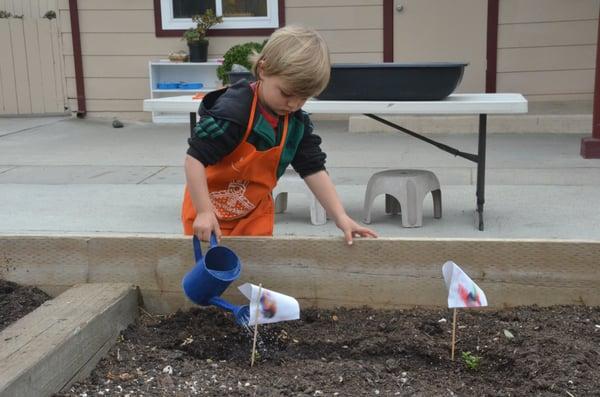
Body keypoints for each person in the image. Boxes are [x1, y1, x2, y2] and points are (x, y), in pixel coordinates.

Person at [182, 25, 377, 245]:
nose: (294, 104)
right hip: (207, 207)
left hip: (255, 212)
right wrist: (204, 212)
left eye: (303, 98)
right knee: (211, 273)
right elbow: (194, 159)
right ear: (263, 70)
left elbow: (313, 168)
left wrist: (341, 217)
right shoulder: (232, 112)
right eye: (286, 93)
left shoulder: (295, 123)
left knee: (258, 271)